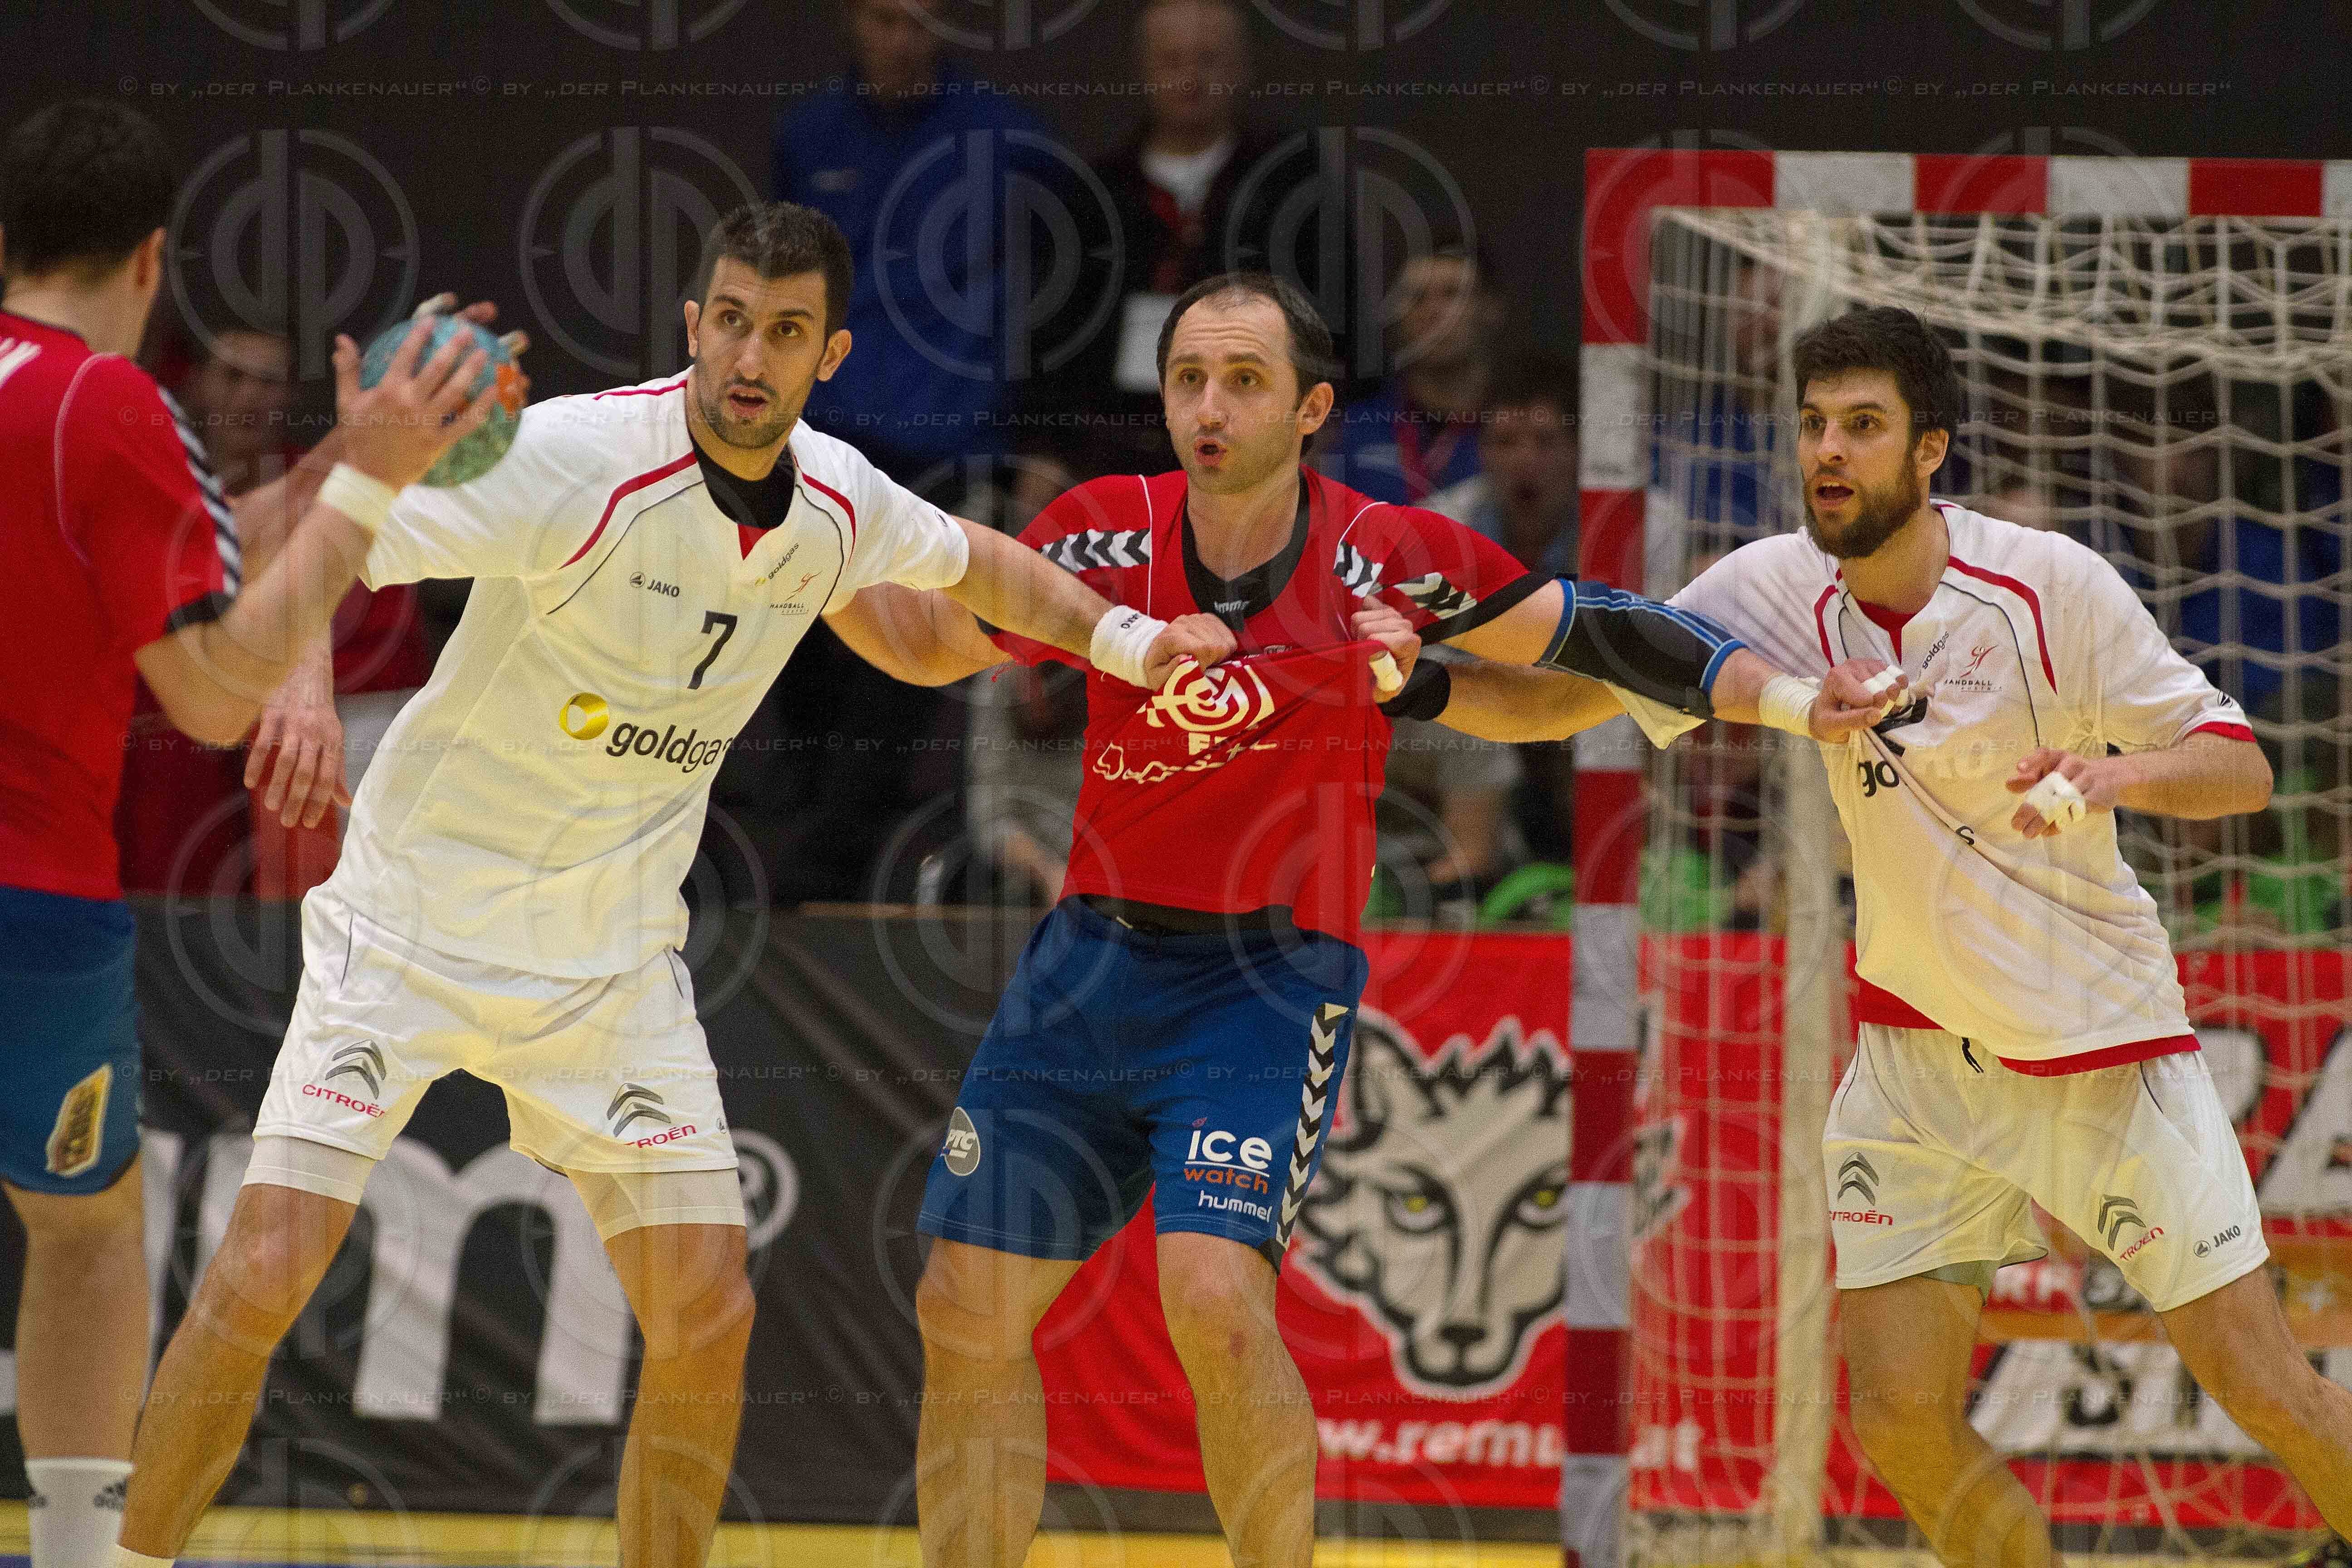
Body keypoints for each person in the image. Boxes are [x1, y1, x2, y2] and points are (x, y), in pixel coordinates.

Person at [104, 201, 1227, 1568]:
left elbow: (969, 569)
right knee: (267, 1271)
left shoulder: (835, 497)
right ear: (696, 329)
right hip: (410, 927)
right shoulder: (576, 458)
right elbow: (330, 538)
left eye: (789, 332)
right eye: (735, 322)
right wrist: (300, 681)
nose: (755, 355)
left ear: (830, 355)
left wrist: (1120, 634)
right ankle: (125, 1558)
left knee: (710, 1306)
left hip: (609, 963)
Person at [824, 270, 1891, 1568]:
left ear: (1315, 407)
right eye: (1188, 380)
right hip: (1087, 964)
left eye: (1246, 381)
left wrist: (1782, 704)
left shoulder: (1387, 554)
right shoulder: (1098, 531)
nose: (1209, 406)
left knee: (1214, 1299)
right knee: (964, 1303)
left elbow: (1590, 648)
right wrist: (805, 563)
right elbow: (934, 644)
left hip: (1261, 983)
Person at [1450, 305, 2352, 1567]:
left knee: (2267, 1389)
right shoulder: (1764, 586)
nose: (1831, 451)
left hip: (2098, 1052)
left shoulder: (2049, 582)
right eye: (1815, 426)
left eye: (1863, 427)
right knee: (1899, 1422)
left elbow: (2239, 767)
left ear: (1930, 451)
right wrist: (1423, 678)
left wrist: (2109, 774)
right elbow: (1564, 700)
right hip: (1915, 1062)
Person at [0, 97, 503, 1568]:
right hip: (33, 901)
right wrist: (369, 484)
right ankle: (87, 1550)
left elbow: (186, 531)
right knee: (85, 1230)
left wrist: (333, 464)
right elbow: (216, 692)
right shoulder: (108, 408)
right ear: (155, 260)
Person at [1013, 0, 1332, 493]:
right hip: (1112, 451)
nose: (1190, 76)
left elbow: (1332, 324)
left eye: (1208, 59)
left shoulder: (1291, 185)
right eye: (1172, 60)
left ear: (1241, 69)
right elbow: (1051, 335)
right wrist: (1044, 453)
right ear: (1144, 69)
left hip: (1256, 451)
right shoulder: (1095, 194)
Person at [1312, 240, 1502, 505]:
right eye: (1416, 297)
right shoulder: (1350, 429)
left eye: (1452, 295)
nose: (1433, 312)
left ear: (1491, 309)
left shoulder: (1523, 430)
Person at [1423, 352, 1582, 576]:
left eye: (1546, 442)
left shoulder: (1637, 533)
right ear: (1481, 450)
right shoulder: (1434, 532)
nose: (1525, 460)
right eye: (1505, 441)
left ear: (1578, 450)